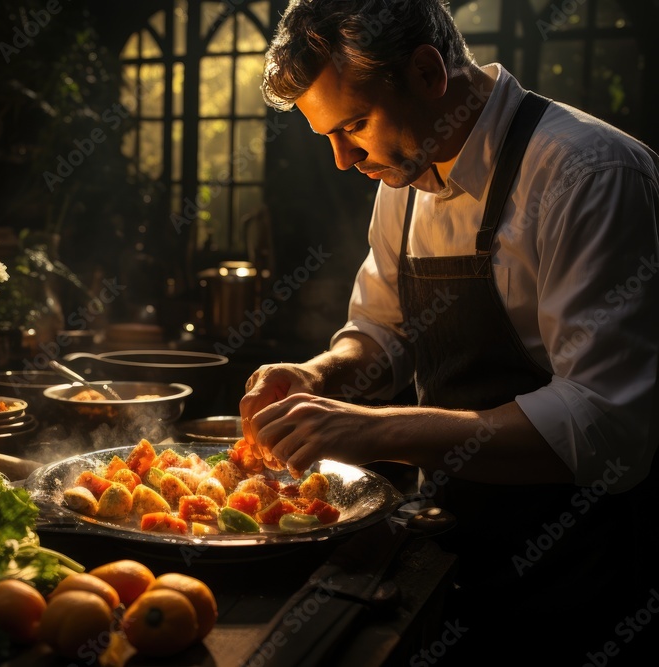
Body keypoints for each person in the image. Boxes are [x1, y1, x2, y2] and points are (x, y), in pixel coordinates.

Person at [241, 0, 659, 662]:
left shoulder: (588, 173)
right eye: (327, 136)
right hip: (448, 548)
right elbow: (381, 327)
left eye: (353, 126)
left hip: (577, 574)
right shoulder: (405, 169)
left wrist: (374, 430)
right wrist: (320, 373)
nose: (344, 161)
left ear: (429, 73)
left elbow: (606, 425)